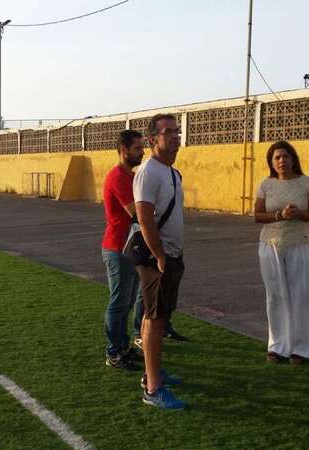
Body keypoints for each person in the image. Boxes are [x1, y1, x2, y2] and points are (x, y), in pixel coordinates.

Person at [133, 113, 186, 410]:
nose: (175, 137)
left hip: (171, 255)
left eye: (177, 131)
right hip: (158, 258)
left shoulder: (173, 173)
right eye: (168, 132)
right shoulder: (149, 171)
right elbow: (144, 218)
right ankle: (153, 389)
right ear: (153, 139)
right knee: (155, 320)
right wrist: (160, 256)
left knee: (156, 316)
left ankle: (151, 373)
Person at [253, 141, 309, 365]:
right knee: (275, 295)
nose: (282, 161)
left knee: (300, 294)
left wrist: (298, 214)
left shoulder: (307, 183)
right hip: (270, 243)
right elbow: (257, 215)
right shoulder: (266, 185)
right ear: (271, 162)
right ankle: (278, 346)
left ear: (293, 159)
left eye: (286, 156)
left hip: (299, 243)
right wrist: (280, 215)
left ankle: (301, 348)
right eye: (277, 158)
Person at [102, 129, 145, 370]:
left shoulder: (131, 176)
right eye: (137, 148)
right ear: (123, 150)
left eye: (142, 147)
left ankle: (122, 347)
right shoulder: (118, 177)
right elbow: (136, 212)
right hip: (118, 248)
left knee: (126, 303)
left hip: (130, 247)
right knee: (119, 303)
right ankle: (114, 353)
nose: (142, 152)